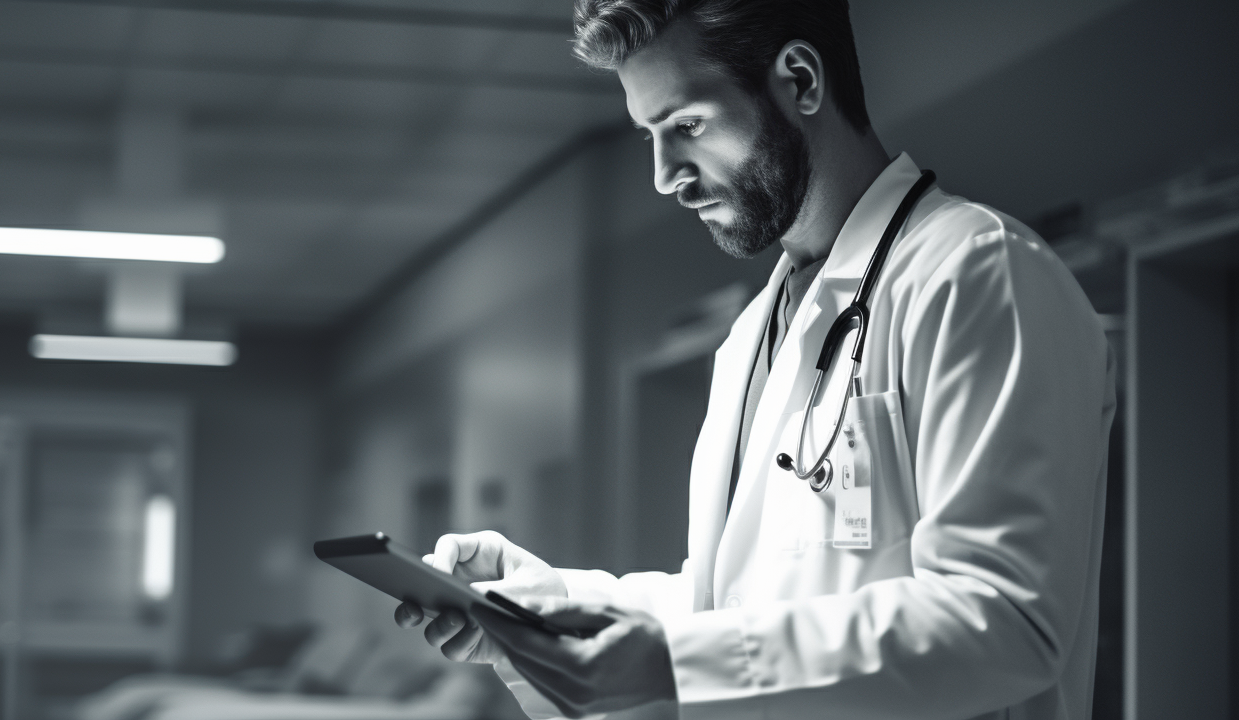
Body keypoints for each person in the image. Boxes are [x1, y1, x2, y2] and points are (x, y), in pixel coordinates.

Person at [395, 1, 1116, 719]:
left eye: (687, 126)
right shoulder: (751, 338)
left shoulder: (979, 274)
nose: (663, 175)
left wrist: (678, 663)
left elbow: (1001, 622)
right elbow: (728, 606)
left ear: (800, 80)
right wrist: (545, 612)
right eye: (650, 134)